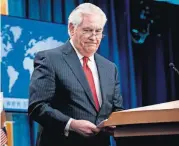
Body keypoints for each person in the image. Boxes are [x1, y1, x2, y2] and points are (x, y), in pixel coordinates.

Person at [28, 3, 123, 146]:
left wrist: (115, 123)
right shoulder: (49, 59)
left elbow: (117, 108)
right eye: (88, 30)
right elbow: (37, 107)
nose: (94, 37)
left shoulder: (110, 68)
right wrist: (71, 124)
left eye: (98, 31)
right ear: (72, 29)